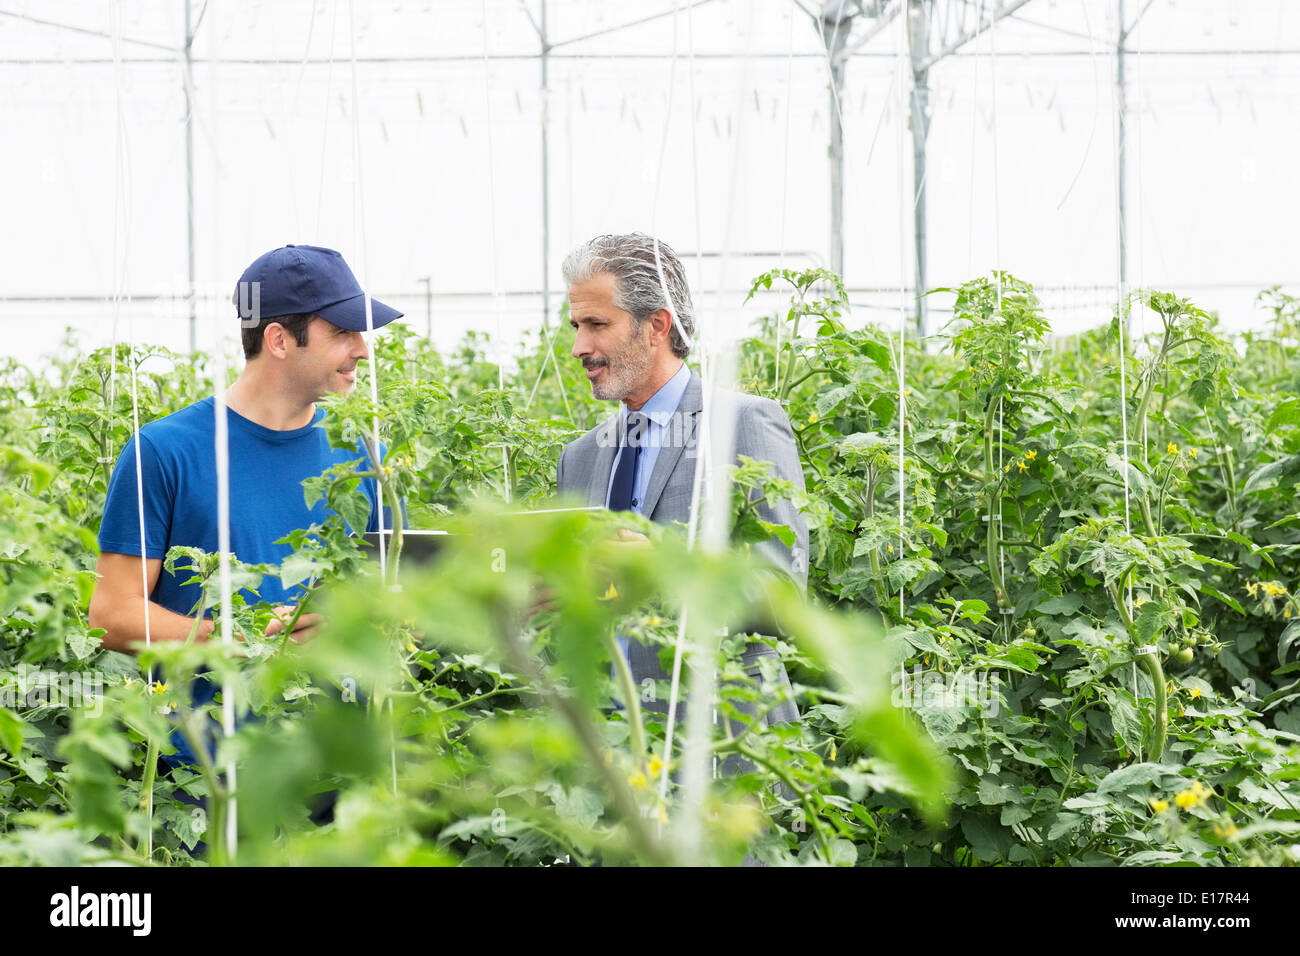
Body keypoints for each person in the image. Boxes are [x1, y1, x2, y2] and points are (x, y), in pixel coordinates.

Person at [89, 243, 403, 771]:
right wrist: (240, 639)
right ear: (279, 340)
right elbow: (110, 615)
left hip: (336, 772)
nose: (363, 350)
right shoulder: (165, 451)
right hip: (201, 777)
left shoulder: (365, 452)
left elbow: (395, 592)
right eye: (343, 332)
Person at [555, 232, 807, 737]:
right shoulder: (579, 459)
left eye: (597, 324)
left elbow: (783, 600)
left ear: (656, 326)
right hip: (612, 756)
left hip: (722, 751)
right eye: (577, 326)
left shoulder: (742, 426)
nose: (580, 346)